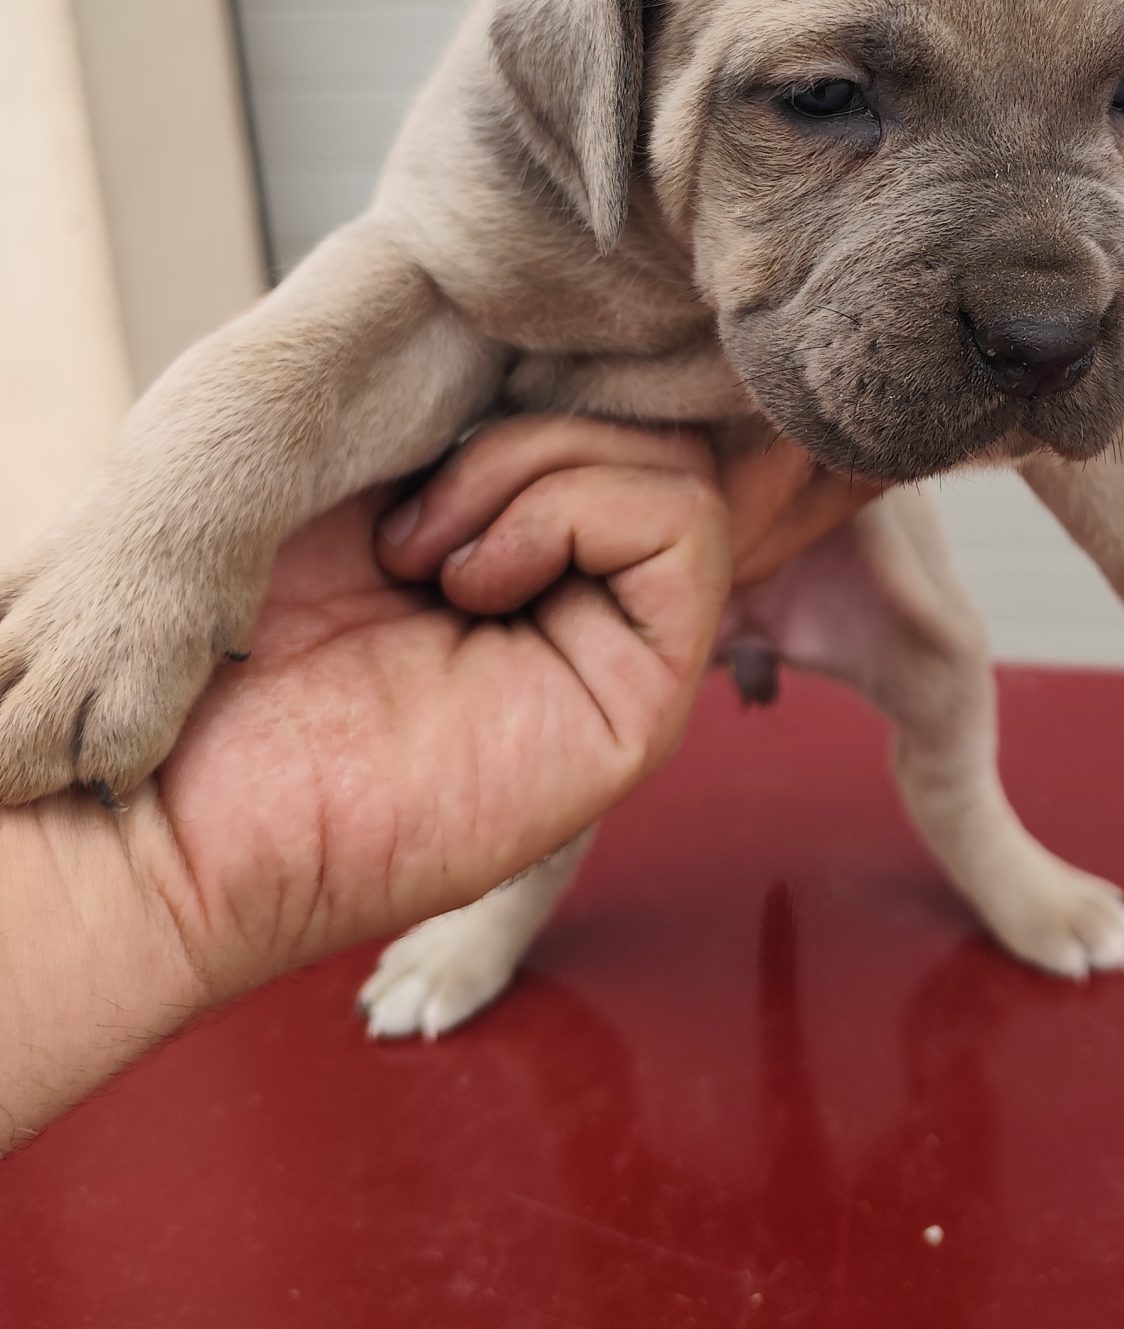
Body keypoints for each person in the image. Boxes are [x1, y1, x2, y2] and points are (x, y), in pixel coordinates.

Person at [0, 420, 877, 1153]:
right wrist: (140, 873)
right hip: (592, 551)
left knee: (941, 683)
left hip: (819, 524)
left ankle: (992, 850)